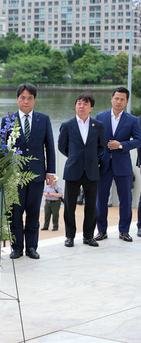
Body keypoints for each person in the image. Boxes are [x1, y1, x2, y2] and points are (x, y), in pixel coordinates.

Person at [4, 83, 55, 259]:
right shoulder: (8, 120)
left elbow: (49, 147)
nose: (26, 101)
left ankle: (31, 247)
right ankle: (17, 247)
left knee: (33, 213)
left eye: (30, 98)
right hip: (14, 176)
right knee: (15, 213)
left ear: (34, 100)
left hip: (36, 175)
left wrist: (51, 172)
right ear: (17, 99)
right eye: (22, 98)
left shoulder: (44, 119)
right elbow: (4, 149)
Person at [58, 94, 105, 247]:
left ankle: (88, 236)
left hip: (91, 170)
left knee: (91, 206)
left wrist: (90, 158)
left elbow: (101, 146)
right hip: (73, 170)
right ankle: (69, 236)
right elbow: (62, 146)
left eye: (85, 104)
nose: (81, 106)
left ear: (91, 108)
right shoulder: (67, 125)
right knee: (69, 206)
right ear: (75, 106)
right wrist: (74, 157)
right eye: (79, 103)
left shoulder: (97, 125)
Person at [95, 87, 141, 242]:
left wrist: (120, 145)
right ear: (111, 99)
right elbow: (94, 140)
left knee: (125, 200)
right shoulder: (100, 117)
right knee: (101, 199)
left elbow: (138, 140)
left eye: (122, 99)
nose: (119, 101)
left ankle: (124, 231)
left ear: (127, 102)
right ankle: (101, 231)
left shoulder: (132, 120)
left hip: (123, 165)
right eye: (116, 98)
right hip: (103, 164)